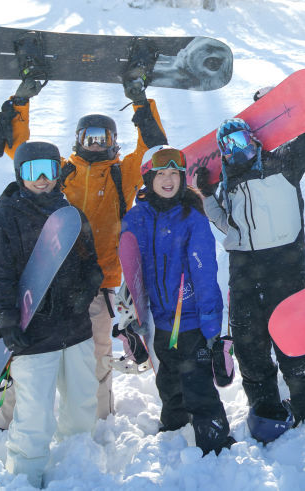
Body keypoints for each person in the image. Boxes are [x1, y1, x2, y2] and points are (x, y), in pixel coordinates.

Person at [0, 74, 168, 428]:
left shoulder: (122, 174)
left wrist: (140, 101)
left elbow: (151, 147)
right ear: (78, 139)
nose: (97, 145)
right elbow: (21, 151)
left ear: (114, 141)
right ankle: (3, 421)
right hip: (44, 279)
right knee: (25, 354)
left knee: (98, 357)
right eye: (90, 138)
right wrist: (20, 101)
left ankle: (99, 422)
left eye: (104, 138)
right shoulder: (62, 170)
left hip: (96, 283)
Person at [195, 103, 305, 442]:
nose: (237, 151)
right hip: (244, 274)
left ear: (254, 140)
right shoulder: (229, 185)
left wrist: (283, 109)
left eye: (241, 141)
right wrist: (208, 196)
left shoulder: (284, 164)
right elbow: (229, 227)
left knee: (293, 347)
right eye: (228, 147)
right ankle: (266, 414)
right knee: (249, 349)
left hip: (286, 270)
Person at [0, 141, 103, 487]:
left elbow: (90, 263)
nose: (43, 180)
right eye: (34, 172)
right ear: (20, 174)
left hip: (75, 330)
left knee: (81, 405)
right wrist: (6, 321)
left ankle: (75, 466)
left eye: (50, 170)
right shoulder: (4, 221)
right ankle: (25, 476)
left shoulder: (71, 215)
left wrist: (88, 287)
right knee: (34, 417)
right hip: (33, 337)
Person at [121, 145, 234, 454]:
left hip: (191, 320)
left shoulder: (191, 216)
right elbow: (131, 272)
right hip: (158, 322)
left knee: (198, 386)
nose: (169, 180)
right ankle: (174, 430)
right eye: (162, 174)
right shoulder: (136, 218)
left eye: (175, 173)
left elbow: (205, 272)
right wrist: (132, 319)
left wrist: (211, 327)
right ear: (148, 177)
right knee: (169, 382)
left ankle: (216, 443)